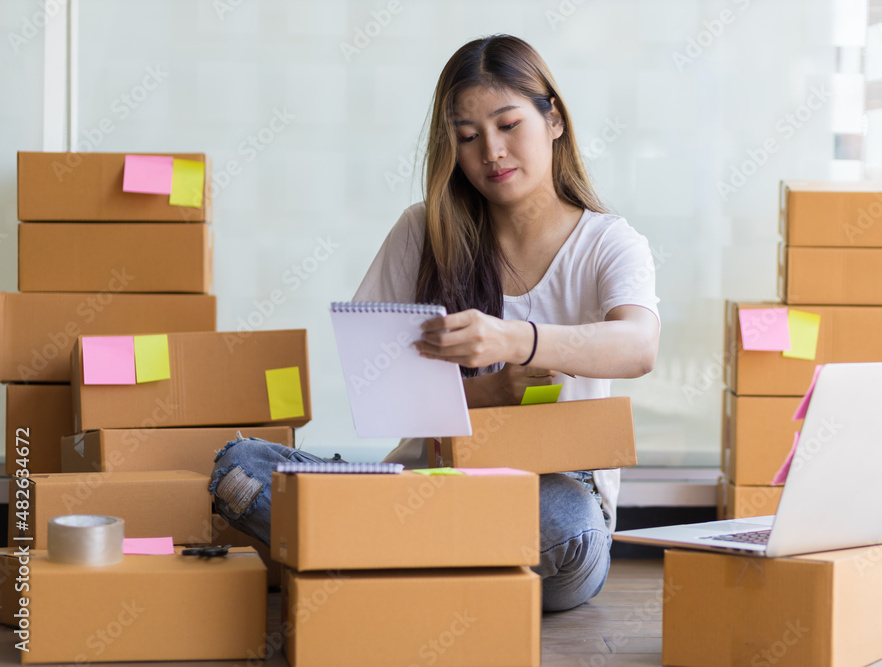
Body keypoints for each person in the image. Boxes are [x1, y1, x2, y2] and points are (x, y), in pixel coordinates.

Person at [210, 34, 660, 612]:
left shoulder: (608, 243)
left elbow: (638, 347)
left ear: (554, 120)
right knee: (238, 468)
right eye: (468, 137)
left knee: (568, 524)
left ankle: (363, 561)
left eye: (507, 124)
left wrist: (513, 340)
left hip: (547, 501)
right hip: (427, 487)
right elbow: (382, 395)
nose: (491, 152)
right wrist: (487, 391)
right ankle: (419, 565)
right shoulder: (424, 232)